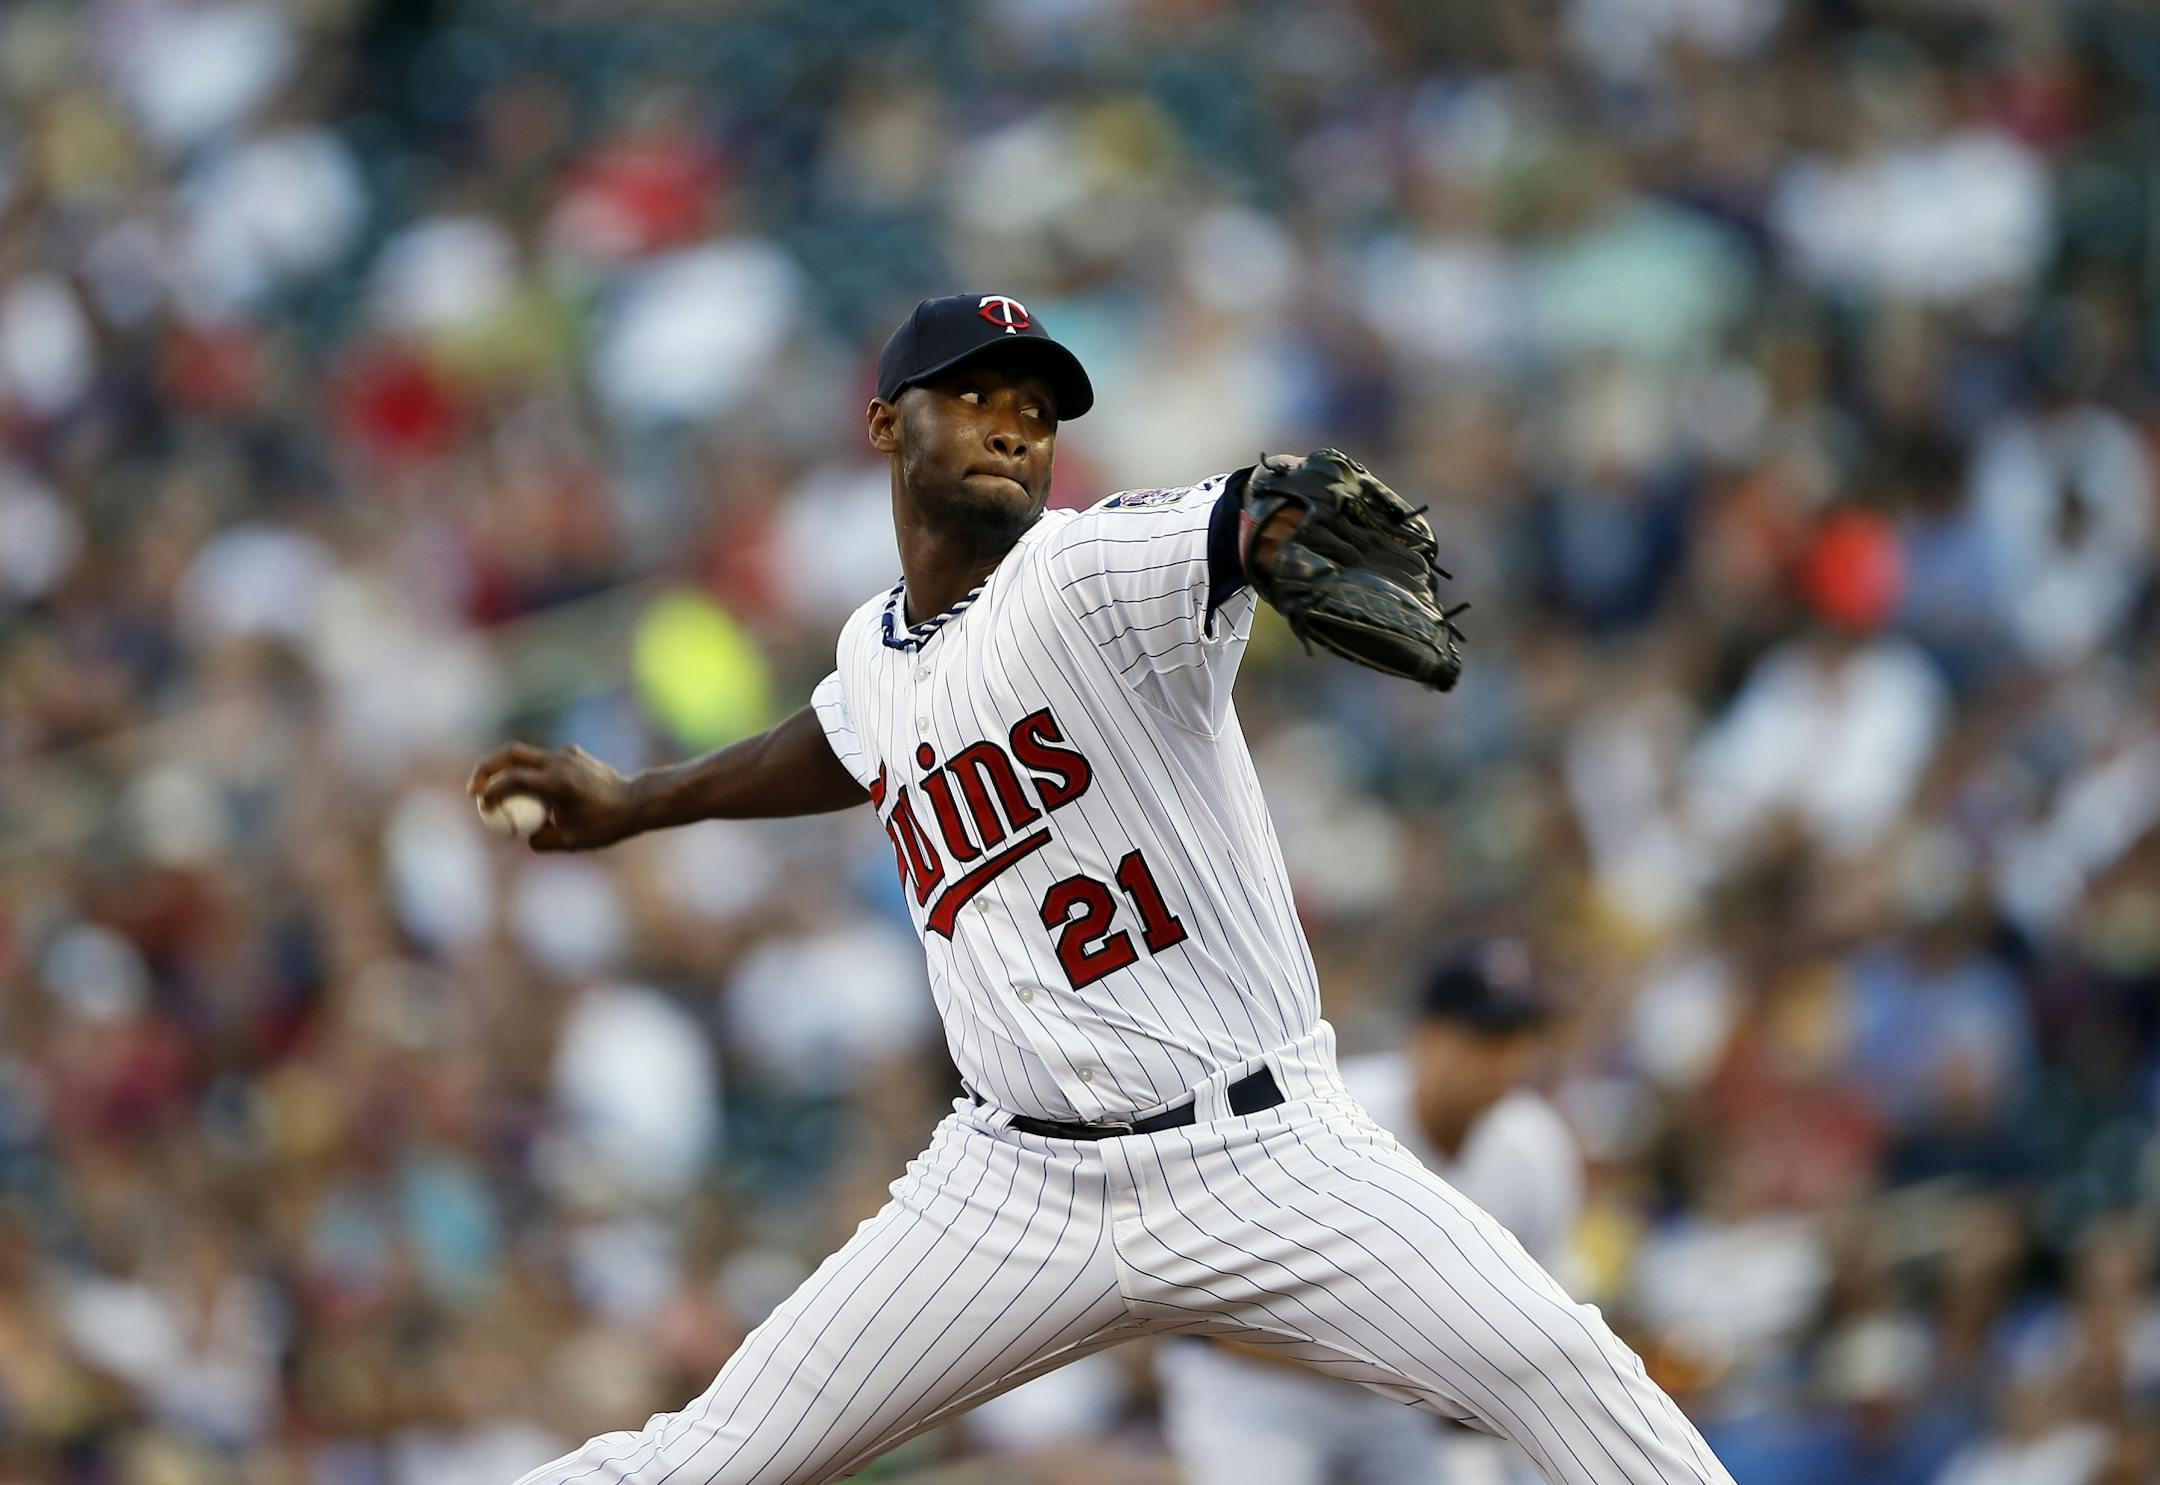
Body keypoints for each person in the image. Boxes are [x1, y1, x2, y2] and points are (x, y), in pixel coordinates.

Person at [471, 292, 1734, 1485]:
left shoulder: (1088, 573)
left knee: (1562, 1366)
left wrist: (1271, 524)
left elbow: (1237, 519)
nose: (1013, 421)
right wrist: (645, 801)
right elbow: (844, 739)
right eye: (972, 394)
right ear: (882, 425)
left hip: (1261, 1155)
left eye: (1036, 404)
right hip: (1008, 1189)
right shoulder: (873, 651)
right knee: (717, 1455)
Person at [1154, 938, 1580, 1485]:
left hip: (1400, 1411)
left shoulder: (1536, 1147)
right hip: (1259, 1397)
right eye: (1487, 1038)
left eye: (1521, 1038)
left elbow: (1546, 1318)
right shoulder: (1324, 1119)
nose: (1508, 1060)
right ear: (1427, 1039)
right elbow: (1209, 1316)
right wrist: (1420, 1366)